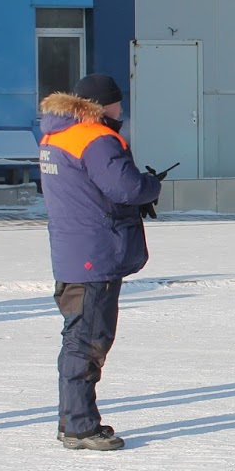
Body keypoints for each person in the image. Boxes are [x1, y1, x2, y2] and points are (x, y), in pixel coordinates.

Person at [38, 75, 163, 451]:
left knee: (78, 335)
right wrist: (150, 185)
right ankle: (80, 425)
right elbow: (125, 188)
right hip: (95, 252)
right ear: (102, 105)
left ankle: (72, 419)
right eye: (117, 104)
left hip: (72, 250)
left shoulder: (55, 135)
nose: (121, 110)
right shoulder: (95, 137)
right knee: (88, 340)